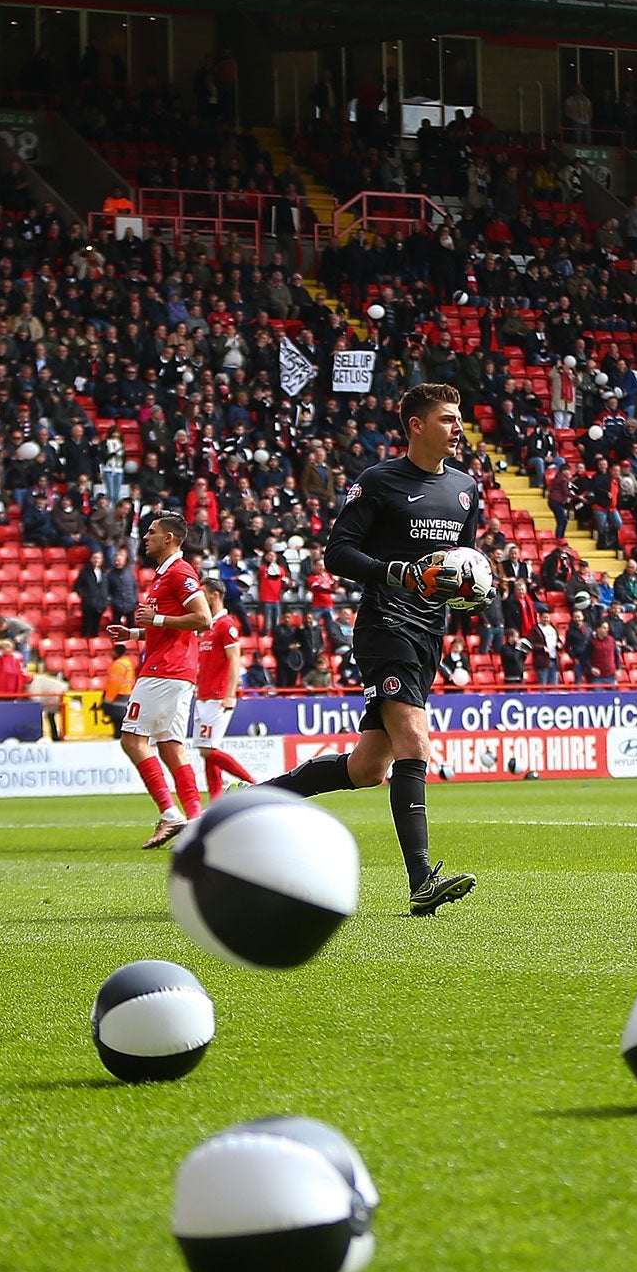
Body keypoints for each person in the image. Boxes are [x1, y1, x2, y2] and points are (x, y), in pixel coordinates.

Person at [265, 385, 480, 914]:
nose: (458, 429)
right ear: (416, 425)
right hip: (386, 624)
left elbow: (464, 561)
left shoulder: (465, 488)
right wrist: (394, 572)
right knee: (415, 742)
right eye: (448, 420)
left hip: (430, 631)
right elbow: (336, 552)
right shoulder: (379, 482)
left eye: (459, 421)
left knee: (366, 769)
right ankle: (422, 881)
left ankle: (253, 802)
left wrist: (471, 588)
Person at [106, 512, 213, 848]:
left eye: (151, 532)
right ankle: (195, 817)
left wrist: (157, 618)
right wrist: (137, 632)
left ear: (169, 538)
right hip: (175, 669)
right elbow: (169, 627)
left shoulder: (180, 573)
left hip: (164, 670)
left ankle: (170, 813)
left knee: (132, 740)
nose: (146, 536)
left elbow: (203, 619)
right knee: (169, 745)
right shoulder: (164, 574)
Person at [193, 579, 256, 799]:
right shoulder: (208, 626)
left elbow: (235, 659)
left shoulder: (226, 624)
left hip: (219, 696)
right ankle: (216, 801)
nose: (201, 599)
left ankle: (256, 784)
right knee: (207, 752)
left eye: (204, 594)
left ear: (215, 595)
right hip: (204, 695)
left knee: (207, 749)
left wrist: (229, 694)